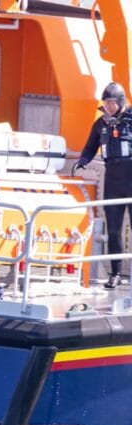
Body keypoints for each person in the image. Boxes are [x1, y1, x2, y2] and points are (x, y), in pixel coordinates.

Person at [75, 82, 132, 289]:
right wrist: (82, 161)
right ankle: (115, 273)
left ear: (121, 101)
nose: (108, 107)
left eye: (111, 103)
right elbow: (90, 147)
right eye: (105, 103)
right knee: (114, 229)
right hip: (113, 181)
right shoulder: (101, 124)